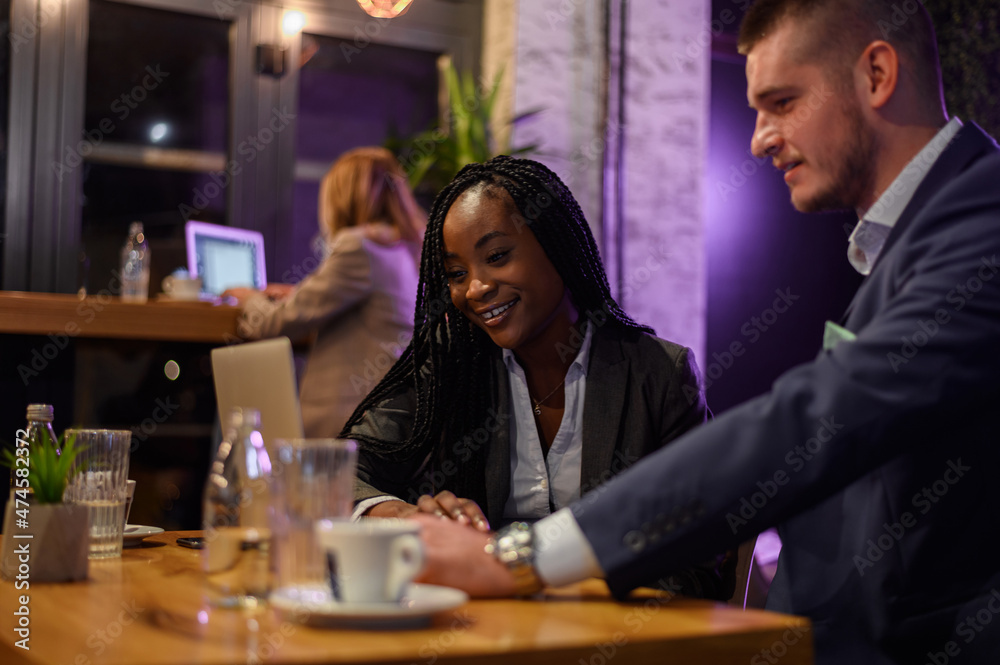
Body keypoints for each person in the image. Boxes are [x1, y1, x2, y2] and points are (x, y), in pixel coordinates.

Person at [408, 2, 1000, 663]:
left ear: (878, 74)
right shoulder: (920, 234)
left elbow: (815, 420)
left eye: (782, 101)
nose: (759, 137)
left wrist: (522, 556)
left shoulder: (984, 221)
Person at [342, 156, 733, 600]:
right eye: (457, 273)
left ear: (556, 245)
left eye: (497, 257)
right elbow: (341, 471)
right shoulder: (453, 370)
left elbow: (697, 565)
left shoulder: (658, 375)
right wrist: (407, 517)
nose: (475, 288)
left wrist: (549, 588)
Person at [225, 147, 425, 438]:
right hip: (392, 414)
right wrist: (296, 293)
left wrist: (249, 299)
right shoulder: (407, 247)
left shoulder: (359, 246)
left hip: (351, 422)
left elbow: (274, 324)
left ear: (342, 196)